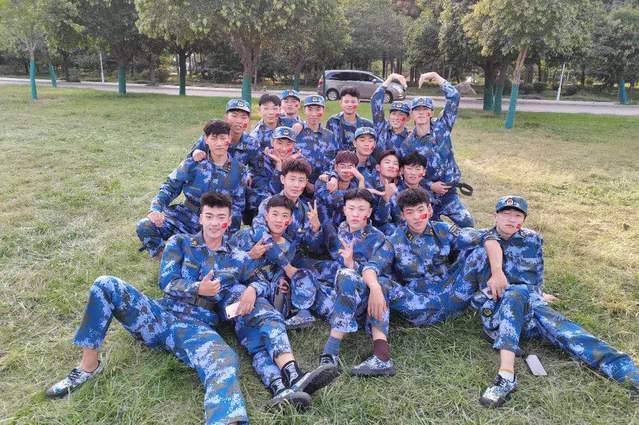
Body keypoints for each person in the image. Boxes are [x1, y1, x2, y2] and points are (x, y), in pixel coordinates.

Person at [46, 193, 250, 425]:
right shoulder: (180, 242)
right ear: (200, 218)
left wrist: (253, 290)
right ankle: (88, 367)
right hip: (159, 316)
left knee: (224, 360)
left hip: (196, 328)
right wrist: (197, 288)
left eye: (221, 217)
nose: (214, 223)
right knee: (105, 284)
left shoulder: (238, 258)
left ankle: (224, 420)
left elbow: (260, 278)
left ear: (229, 221)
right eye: (209, 216)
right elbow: (166, 282)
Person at [465, 196, 639, 407]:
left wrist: (539, 294)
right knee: (516, 291)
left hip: (530, 306)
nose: (511, 219)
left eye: (517, 215)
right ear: (495, 216)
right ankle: (506, 375)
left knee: (570, 333)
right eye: (506, 214)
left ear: (523, 219)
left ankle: (627, 372)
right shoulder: (481, 239)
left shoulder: (532, 239)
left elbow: (536, 275)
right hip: (496, 310)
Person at [362, 188, 505, 336]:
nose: (417, 217)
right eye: (410, 212)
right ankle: (380, 345)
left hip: (453, 292)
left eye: (420, 210)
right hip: (420, 303)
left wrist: (497, 273)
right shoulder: (394, 240)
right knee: (381, 283)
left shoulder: (443, 229)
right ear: (403, 215)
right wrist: (375, 287)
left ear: (429, 210)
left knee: (481, 251)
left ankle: (486, 305)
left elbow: (487, 237)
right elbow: (371, 267)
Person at [137, 120, 247, 258]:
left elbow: (237, 206)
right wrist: (155, 209)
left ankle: (187, 250)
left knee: (214, 254)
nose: (219, 143)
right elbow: (170, 187)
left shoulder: (239, 170)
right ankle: (165, 256)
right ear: (206, 140)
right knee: (145, 225)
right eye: (214, 138)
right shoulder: (193, 163)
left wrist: (228, 236)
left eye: (222, 138)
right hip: (184, 217)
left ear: (229, 139)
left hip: (213, 224)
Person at [315, 189, 392, 376]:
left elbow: (375, 271)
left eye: (361, 209)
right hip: (344, 294)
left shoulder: (379, 239)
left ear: (369, 212)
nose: (355, 214)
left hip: (370, 297)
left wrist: (351, 264)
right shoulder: (342, 228)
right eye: (351, 208)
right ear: (344, 210)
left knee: (349, 275)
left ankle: (330, 351)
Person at [253, 158, 324, 329]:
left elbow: (310, 246)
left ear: (306, 183)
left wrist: (315, 228)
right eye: (292, 179)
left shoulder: (305, 210)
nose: (296, 185)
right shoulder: (269, 204)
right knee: (280, 295)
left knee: (328, 269)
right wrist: (287, 267)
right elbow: (262, 237)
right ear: (283, 179)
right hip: (268, 260)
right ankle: (301, 309)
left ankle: (304, 311)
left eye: (301, 180)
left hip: (294, 259)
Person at [399, 72, 474, 228]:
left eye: (425, 109)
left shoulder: (442, 127)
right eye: (417, 110)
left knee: (467, 223)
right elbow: (407, 174)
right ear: (412, 114)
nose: (421, 113)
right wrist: (430, 185)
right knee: (433, 230)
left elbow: (454, 97)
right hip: (426, 195)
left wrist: (436, 77)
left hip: (449, 193)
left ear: (431, 113)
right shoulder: (407, 144)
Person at [294, 95, 340, 195]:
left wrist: (332, 177)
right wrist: (306, 184)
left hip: (324, 188)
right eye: (310, 109)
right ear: (304, 110)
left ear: (323, 111)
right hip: (298, 188)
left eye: (318, 109)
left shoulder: (330, 136)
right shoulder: (296, 132)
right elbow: (290, 161)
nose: (314, 114)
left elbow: (336, 161)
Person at [315, 150, 366, 228]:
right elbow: (334, 200)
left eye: (350, 167)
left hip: (346, 230)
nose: (346, 171)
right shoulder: (324, 181)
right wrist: (333, 177)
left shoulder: (355, 184)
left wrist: (361, 179)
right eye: (342, 166)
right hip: (323, 230)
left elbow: (361, 204)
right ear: (336, 167)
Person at [371, 73, 410, 155]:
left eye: (401, 114)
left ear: (407, 118)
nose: (396, 117)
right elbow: (375, 101)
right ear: (389, 116)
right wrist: (390, 78)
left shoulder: (410, 138)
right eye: (394, 113)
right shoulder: (381, 127)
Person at [326, 86, 373, 150]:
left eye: (353, 102)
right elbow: (327, 145)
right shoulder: (332, 121)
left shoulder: (367, 125)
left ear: (358, 102)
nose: (350, 105)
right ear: (340, 103)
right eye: (346, 102)